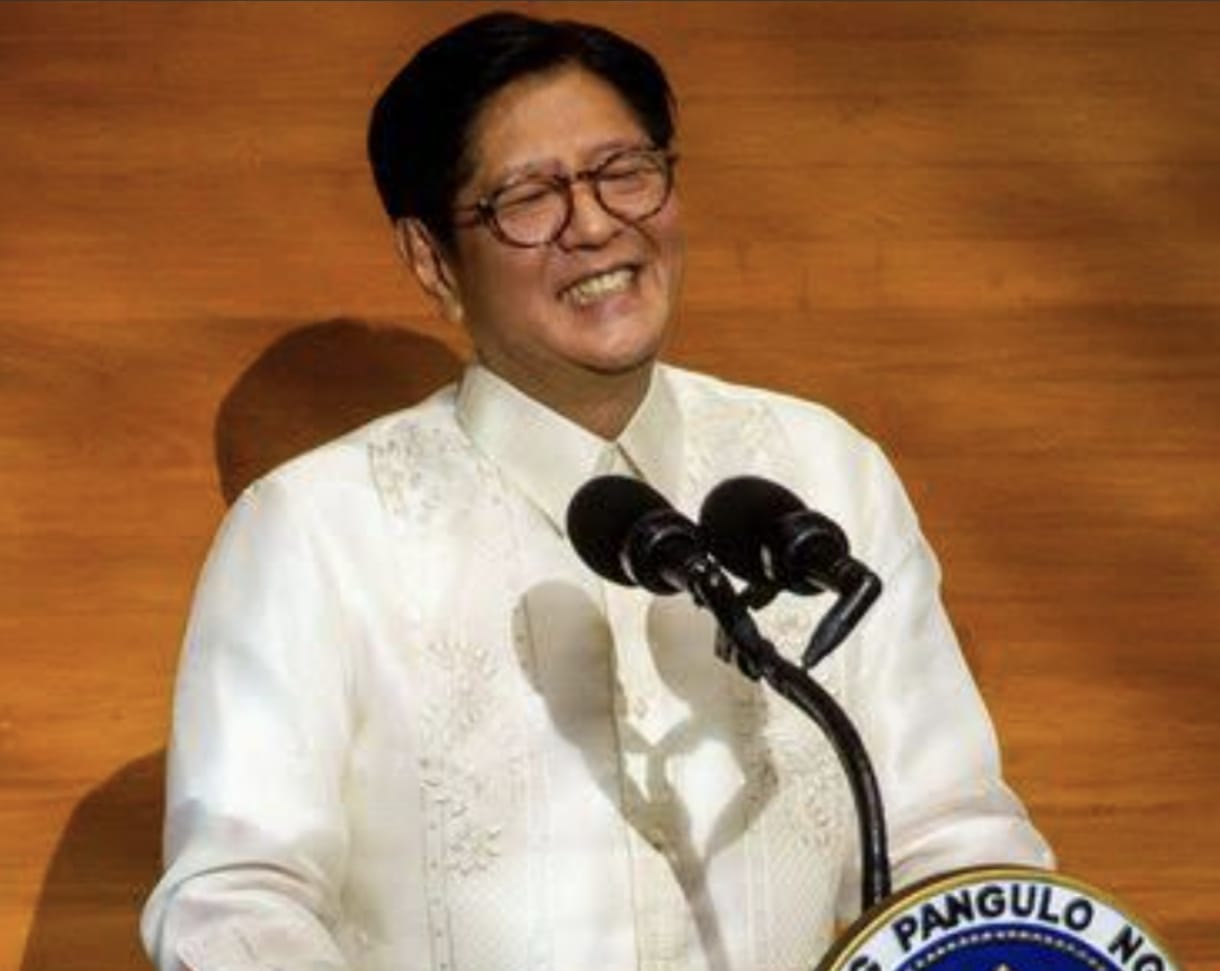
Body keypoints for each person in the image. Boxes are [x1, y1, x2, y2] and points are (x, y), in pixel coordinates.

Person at [141, 11, 1053, 971]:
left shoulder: (824, 471)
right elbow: (236, 899)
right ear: (432, 260)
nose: (593, 224)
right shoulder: (314, 530)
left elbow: (949, 836)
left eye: (624, 171)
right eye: (527, 198)